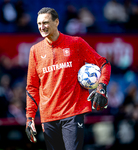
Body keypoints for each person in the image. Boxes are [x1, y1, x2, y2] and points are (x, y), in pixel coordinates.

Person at [25, 7, 111, 150]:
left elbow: (104, 64)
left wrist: (101, 87)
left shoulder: (76, 43)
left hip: (73, 114)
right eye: (39, 23)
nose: (42, 27)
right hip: (48, 117)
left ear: (56, 22)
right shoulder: (35, 51)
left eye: (45, 22)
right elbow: (32, 87)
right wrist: (29, 118)